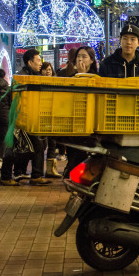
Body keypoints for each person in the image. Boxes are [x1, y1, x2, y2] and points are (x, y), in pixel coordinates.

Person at [13, 49, 52, 185]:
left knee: (31, 146)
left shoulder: (32, 74)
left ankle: (21, 172)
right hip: (27, 118)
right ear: (30, 62)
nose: (40, 63)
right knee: (36, 146)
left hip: (32, 118)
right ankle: (34, 175)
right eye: (38, 60)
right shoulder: (24, 76)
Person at [60, 46, 98, 178]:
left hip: (91, 124)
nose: (80, 59)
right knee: (74, 154)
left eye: (84, 56)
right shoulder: (71, 78)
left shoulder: (97, 78)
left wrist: (83, 76)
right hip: (74, 123)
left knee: (85, 156)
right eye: (78, 56)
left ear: (92, 60)